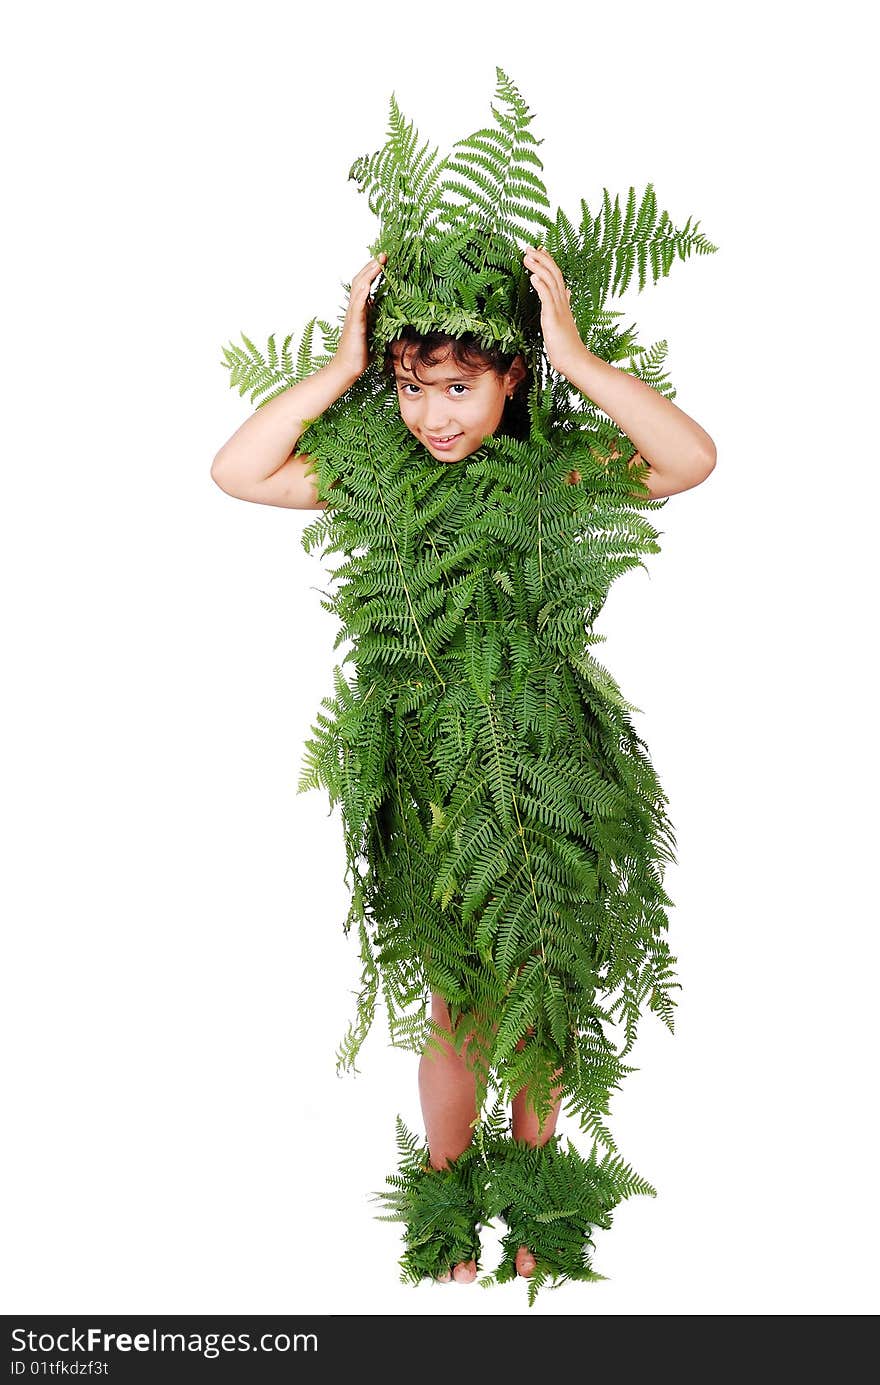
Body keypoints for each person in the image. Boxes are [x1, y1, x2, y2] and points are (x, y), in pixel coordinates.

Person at [211, 244, 717, 1286]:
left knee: (545, 983)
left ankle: (539, 1196)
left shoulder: (552, 478)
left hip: (548, 761)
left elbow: (689, 458)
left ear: (510, 378)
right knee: (452, 1001)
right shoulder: (379, 483)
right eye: (411, 386)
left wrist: (572, 352)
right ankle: (444, 1200)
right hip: (429, 778)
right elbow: (238, 470)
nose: (434, 414)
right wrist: (341, 370)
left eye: (458, 386)